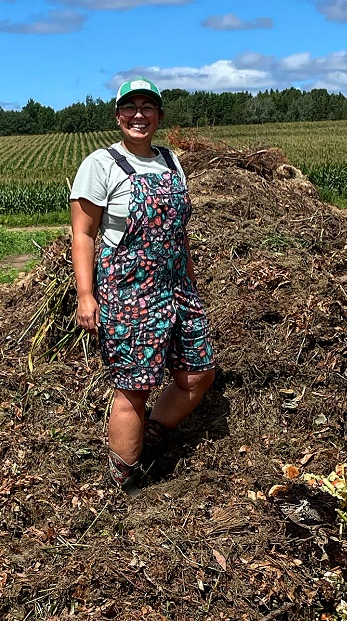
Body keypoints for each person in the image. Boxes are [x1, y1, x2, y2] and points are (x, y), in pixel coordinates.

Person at [69, 77, 216, 494]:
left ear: (159, 116)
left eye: (147, 107)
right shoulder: (100, 164)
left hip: (176, 287)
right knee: (134, 386)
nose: (138, 115)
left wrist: (189, 275)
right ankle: (125, 481)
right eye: (130, 107)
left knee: (198, 372)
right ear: (118, 116)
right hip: (129, 290)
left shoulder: (171, 161)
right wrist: (86, 295)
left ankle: (150, 437)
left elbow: (178, 229)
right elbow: (83, 233)